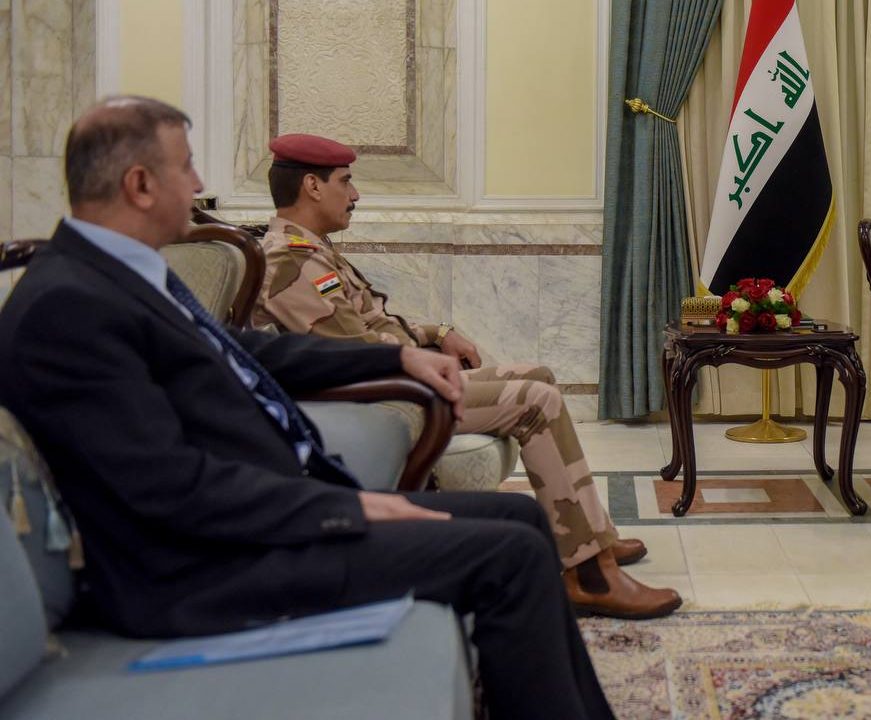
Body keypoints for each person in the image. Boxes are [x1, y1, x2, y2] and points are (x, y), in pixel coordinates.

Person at [0, 96, 615, 720]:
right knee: (508, 557)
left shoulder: (110, 275)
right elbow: (167, 486)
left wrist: (396, 358)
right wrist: (344, 507)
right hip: (202, 570)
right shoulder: (69, 307)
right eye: (185, 166)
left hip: (248, 533)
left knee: (521, 520)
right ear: (139, 184)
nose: (199, 182)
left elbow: (245, 350)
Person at [250, 133, 680, 619]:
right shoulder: (288, 260)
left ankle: (592, 535)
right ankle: (589, 577)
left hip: (391, 383)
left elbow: (371, 328)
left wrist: (438, 332)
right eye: (345, 182)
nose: (355, 194)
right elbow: (356, 353)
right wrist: (422, 358)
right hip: (380, 400)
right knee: (534, 399)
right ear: (312, 186)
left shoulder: (311, 249)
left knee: (538, 375)